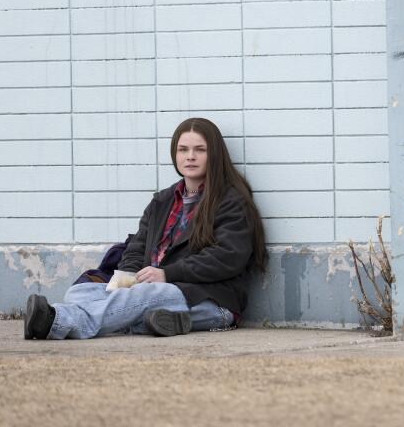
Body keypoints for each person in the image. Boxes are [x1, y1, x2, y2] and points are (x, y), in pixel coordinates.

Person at [22, 116, 267, 339]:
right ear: (175, 154)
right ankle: (158, 321)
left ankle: (56, 321)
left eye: (199, 150)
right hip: (155, 289)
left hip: (209, 298)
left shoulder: (231, 201)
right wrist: (127, 278)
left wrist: (167, 274)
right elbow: (137, 247)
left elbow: (226, 257)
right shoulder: (162, 201)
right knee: (81, 292)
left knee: (146, 297)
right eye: (183, 149)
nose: (190, 156)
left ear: (214, 154)